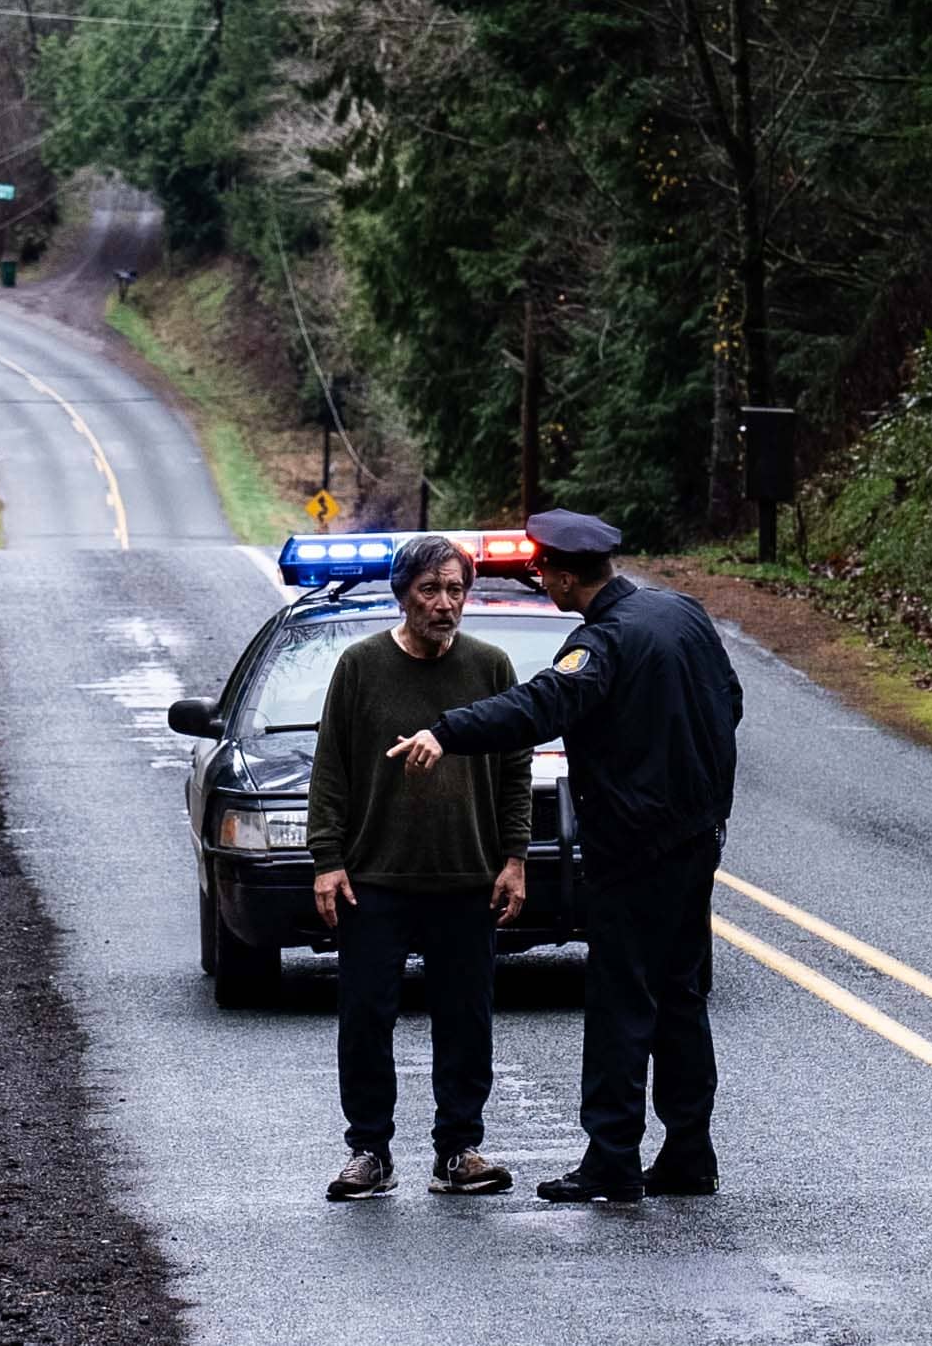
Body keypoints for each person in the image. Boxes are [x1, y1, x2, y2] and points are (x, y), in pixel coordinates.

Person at [391, 507, 742, 1204]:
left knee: (620, 1002)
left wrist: (445, 729)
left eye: (540, 571)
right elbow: (728, 699)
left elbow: (537, 708)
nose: (539, 579)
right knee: (680, 995)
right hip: (697, 842)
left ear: (559, 573)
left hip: (632, 850)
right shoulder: (683, 613)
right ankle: (688, 1152)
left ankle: (611, 1159)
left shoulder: (600, 644)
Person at [305, 532, 531, 1200]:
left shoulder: (490, 666)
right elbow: (330, 769)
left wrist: (514, 856)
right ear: (403, 594)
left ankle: (458, 1149)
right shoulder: (360, 665)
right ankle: (368, 1150)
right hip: (374, 878)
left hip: (467, 877)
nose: (445, 603)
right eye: (430, 590)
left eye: (456, 589)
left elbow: (516, 768)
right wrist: (327, 860)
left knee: (467, 1018)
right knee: (365, 1017)